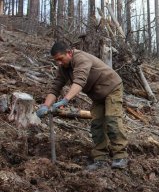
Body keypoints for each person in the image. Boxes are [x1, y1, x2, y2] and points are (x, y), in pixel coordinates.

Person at [36, 41, 129, 170]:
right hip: (97, 94)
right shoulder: (63, 67)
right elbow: (55, 86)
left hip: (112, 87)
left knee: (112, 120)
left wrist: (65, 100)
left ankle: (120, 156)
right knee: (97, 124)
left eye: (60, 59)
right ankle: (100, 158)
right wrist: (45, 106)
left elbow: (80, 80)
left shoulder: (81, 59)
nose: (59, 63)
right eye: (56, 60)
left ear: (69, 53)